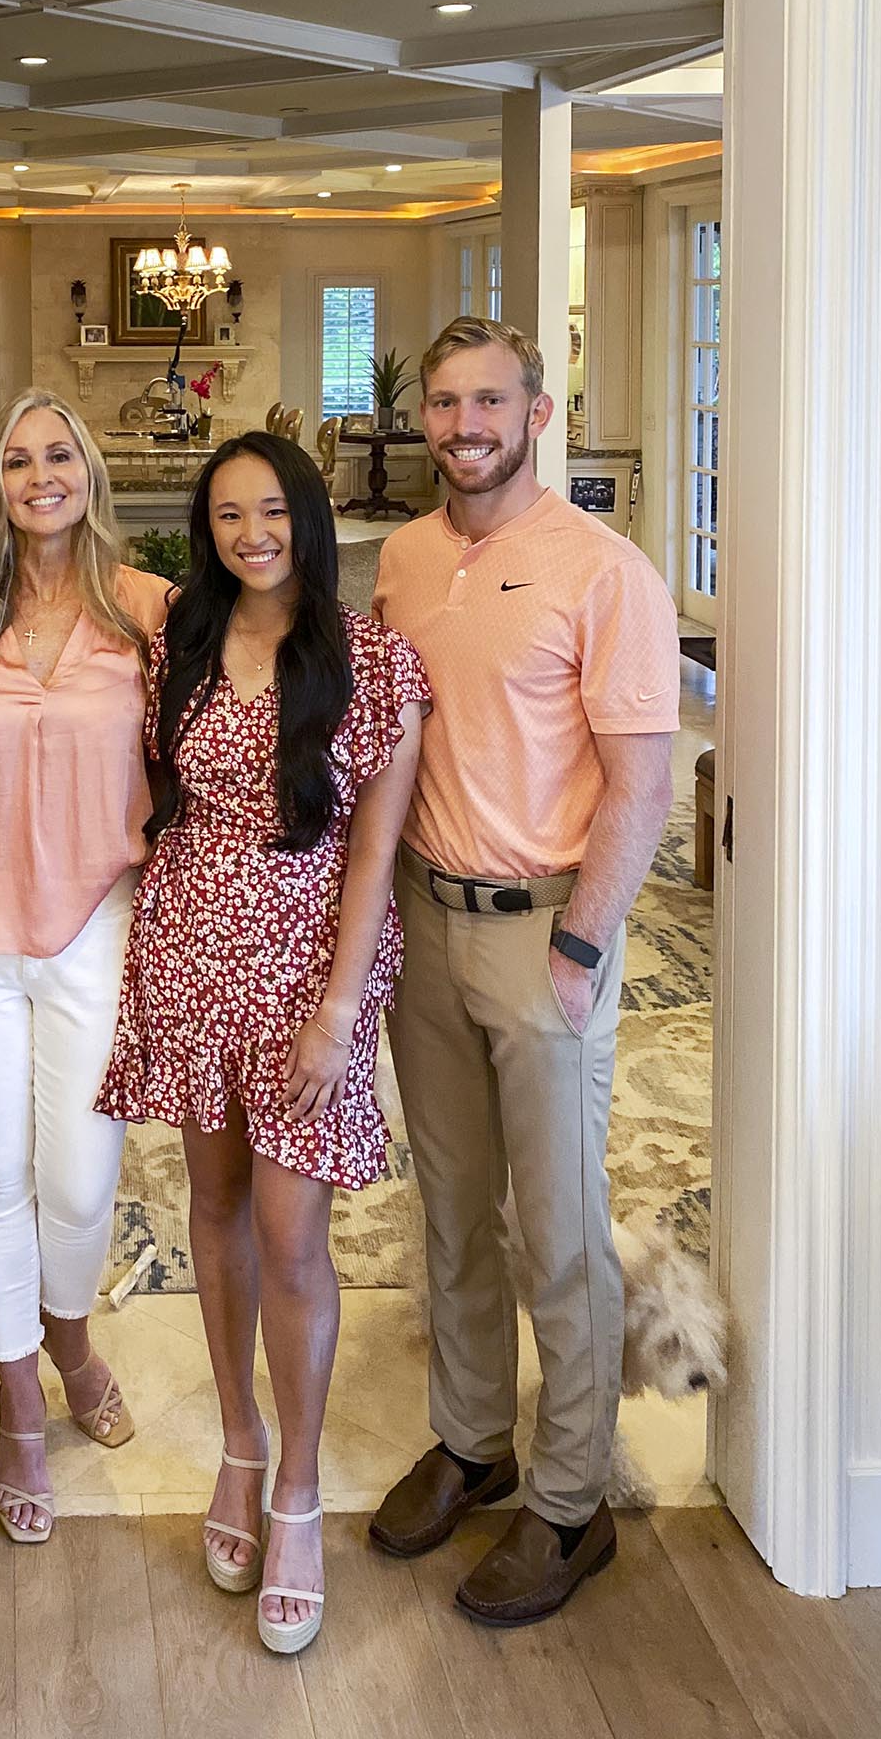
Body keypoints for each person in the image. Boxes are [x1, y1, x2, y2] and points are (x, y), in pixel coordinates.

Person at [369, 314, 678, 1625]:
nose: (462, 425)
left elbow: (644, 781)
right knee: (451, 1208)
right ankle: (474, 1441)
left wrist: (581, 945)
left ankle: (570, 1503)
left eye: (488, 401)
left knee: (556, 1232)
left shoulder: (604, 571)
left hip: (542, 929)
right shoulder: (401, 556)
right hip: (424, 925)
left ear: (535, 414)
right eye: (444, 403)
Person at [97, 431, 428, 1655]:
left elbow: (376, 849)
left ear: (309, 516)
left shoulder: (374, 660)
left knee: (294, 1234)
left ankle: (299, 1484)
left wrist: (342, 1008)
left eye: (273, 510)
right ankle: (238, 1445)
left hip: (306, 974)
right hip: (191, 951)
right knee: (216, 1204)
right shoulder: (174, 644)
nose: (252, 533)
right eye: (229, 514)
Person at [0, 389, 171, 1546]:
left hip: (95, 927)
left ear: (90, 469)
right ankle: (21, 1398)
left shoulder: (150, 611)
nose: (38, 474)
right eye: (15, 459)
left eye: (57, 452)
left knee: (77, 1179)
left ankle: (72, 1335)